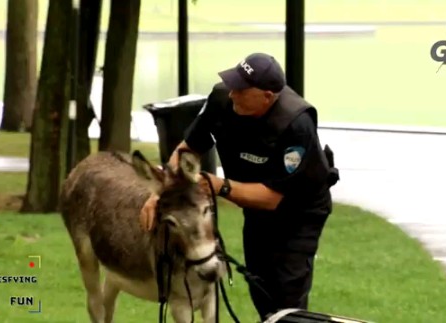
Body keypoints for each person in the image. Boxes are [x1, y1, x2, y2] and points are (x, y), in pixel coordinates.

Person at [140, 52, 339, 321]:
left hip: (298, 213)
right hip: (255, 208)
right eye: (233, 84)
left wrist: (220, 186)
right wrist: (160, 192)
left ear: (268, 96)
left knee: (287, 296)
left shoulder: (295, 124)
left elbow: (272, 198)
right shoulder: (223, 99)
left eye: (242, 89)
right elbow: (189, 149)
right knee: (260, 284)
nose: (233, 93)